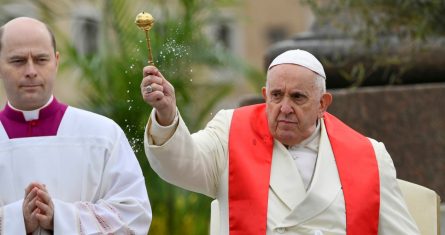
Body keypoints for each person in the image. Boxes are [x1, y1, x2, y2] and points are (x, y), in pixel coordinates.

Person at [141, 49, 419, 234]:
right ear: (265, 95)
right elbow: (183, 164)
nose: (284, 107)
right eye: (276, 96)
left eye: (298, 97)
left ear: (323, 104)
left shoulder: (369, 155)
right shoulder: (230, 131)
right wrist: (166, 115)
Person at [0, 17, 151, 234]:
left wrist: (60, 218)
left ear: (56, 61)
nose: (31, 70)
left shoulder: (103, 135)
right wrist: (18, 220)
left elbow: (135, 214)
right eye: (18, 61)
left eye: (41, 59)